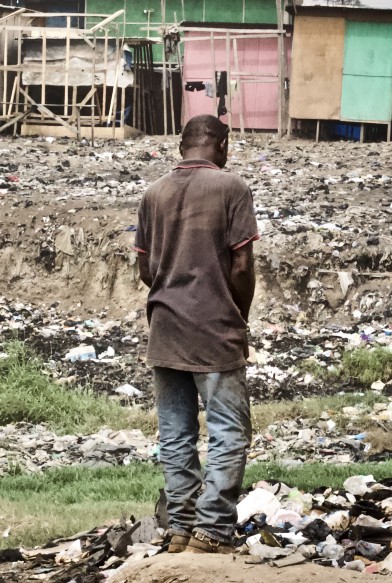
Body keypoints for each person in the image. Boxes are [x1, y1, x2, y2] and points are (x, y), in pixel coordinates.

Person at [133, 114, 259, 555]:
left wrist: (172, 293)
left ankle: (180, 528)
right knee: (228, 431)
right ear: (221, 144)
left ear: (181, 145)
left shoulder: (154, 193)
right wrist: (238, 318)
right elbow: (242, 266)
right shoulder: (232, 188)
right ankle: (211, 529)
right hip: (215, 331)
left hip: (164, 331)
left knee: (175, 434)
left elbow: (146, 268)